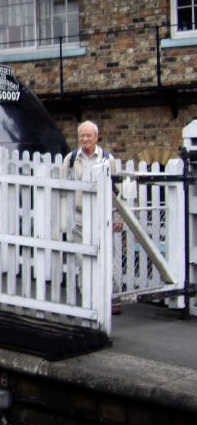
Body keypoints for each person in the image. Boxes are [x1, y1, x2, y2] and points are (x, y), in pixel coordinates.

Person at [62, 120, 122, 312]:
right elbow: (63, 190)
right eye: (82, 135)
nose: (85, 139)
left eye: (89, 135)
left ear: (97, 137)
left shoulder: (107, 159)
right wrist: (64, 220)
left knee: (106, 258)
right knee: (83, 260)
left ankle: (112, 299)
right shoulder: (70, 159)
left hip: (102, 215)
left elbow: (117, 191)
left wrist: (118, 218)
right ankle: (88, 299)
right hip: (79, 216)